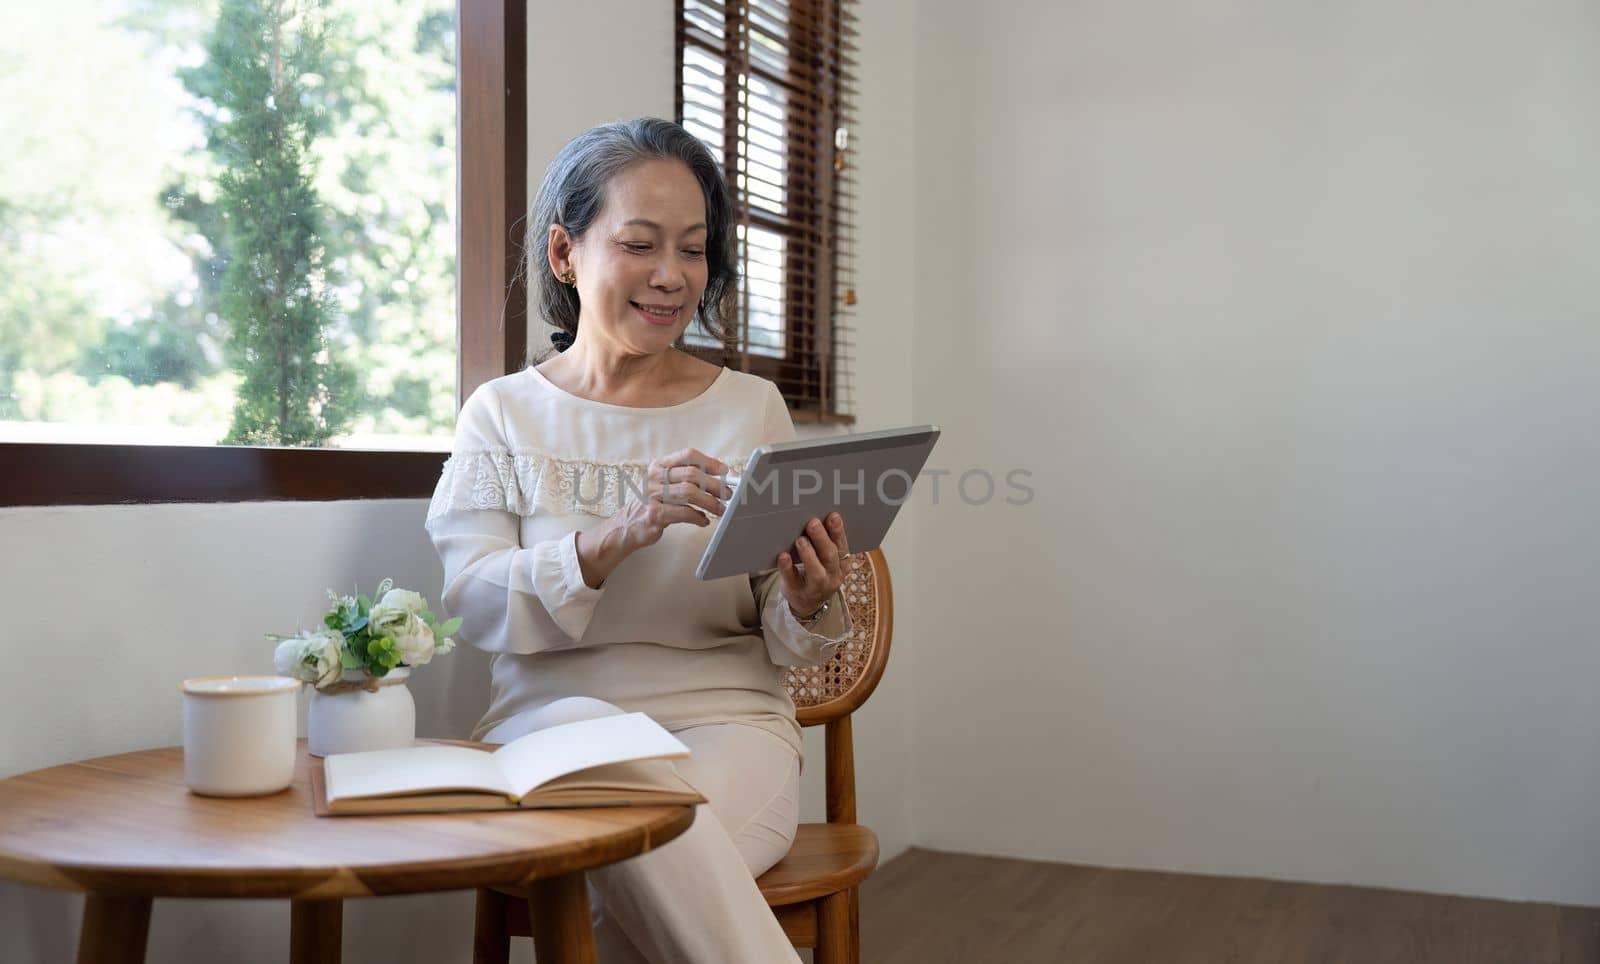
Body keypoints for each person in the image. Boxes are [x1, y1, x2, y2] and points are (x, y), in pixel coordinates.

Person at [425, 117, 854, 964]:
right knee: (604, 763)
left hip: (729, 725)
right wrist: (616, 533)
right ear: (564, 253)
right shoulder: (502, 414)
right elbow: (473, 603)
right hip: (551, 730)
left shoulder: (750, 408)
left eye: (693, 250)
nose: (672, 277)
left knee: (643, 872)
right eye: (640, 243)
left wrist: (807, 597)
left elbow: (781, 628)